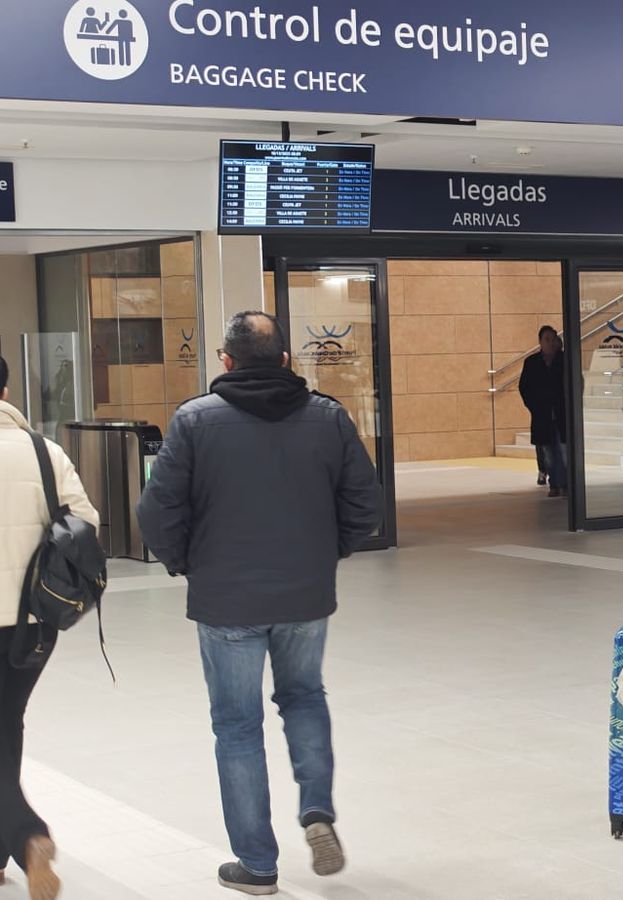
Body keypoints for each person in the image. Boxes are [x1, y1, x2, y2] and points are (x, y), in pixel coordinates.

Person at [136, 312, 382, 896]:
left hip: (225, 601)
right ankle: (316, 810)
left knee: (237, 726)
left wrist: (186, 562)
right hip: (305, 595)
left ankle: (257, 865)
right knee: (304, 698)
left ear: (226, 360)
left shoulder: (195, 419)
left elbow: (157, 510)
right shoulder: (327, 416)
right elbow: (365, 503)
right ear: (286, 360)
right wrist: (328, 553)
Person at [0, 355, 97, 900]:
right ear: (5, 390)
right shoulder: (44, 450)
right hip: (33, 622)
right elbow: (86, 524)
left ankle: (27, 835)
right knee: (6, 723)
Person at [517, 326, 567, 498]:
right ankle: (554, 484)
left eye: (553, 339)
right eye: (547, 339)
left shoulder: (564, 360)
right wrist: (534, 407)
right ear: (540, 342)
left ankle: (566, 484)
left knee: (564, 451)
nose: (550, 343)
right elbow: (524, 388)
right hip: (542, 415)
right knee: (548, 453)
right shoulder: (532, 363)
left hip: (562, 414)